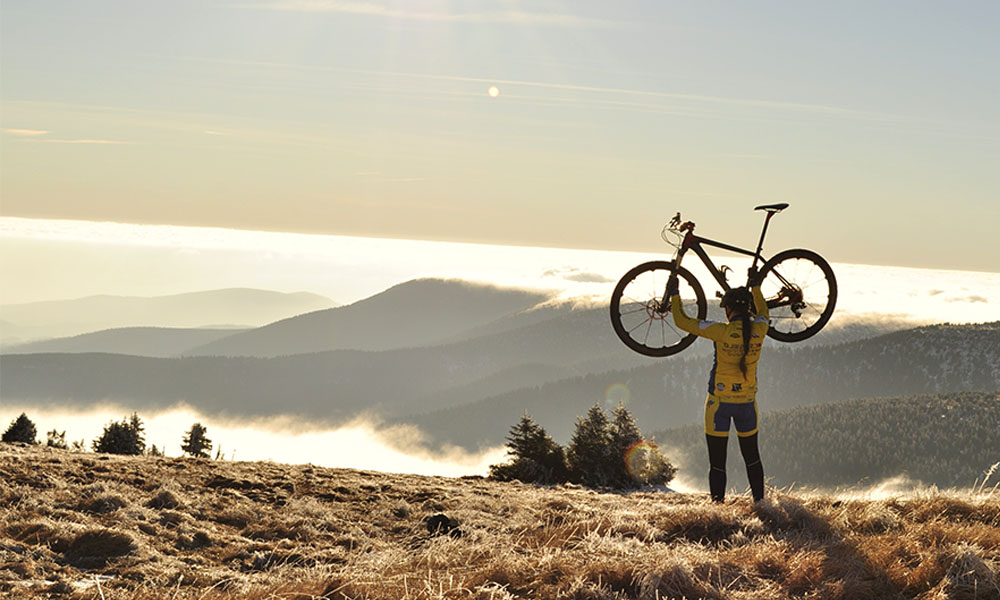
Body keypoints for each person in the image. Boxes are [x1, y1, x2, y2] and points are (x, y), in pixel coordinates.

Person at [666, 270, 768, 503]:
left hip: (718, 405)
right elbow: (763, 312)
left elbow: (682, 321)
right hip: (748, 405)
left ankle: (717, 508)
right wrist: (756, 287)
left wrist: (674, 294)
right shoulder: (760, 330)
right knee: (752, 458)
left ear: (729, 310)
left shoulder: (720, 331)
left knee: (717, 463)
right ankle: (761, 506)